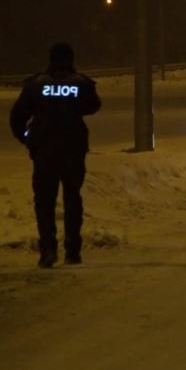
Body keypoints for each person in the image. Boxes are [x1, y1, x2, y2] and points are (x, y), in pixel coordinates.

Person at [9, 43, 102, 268]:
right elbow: (94, 106)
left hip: (44, 152)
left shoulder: (35, 85)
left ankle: (48, 250)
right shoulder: (81, 84)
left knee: (44, 202)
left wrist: (27, 137)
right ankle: (73, 251)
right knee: (72, 198)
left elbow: (16, 117)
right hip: (73, 150)